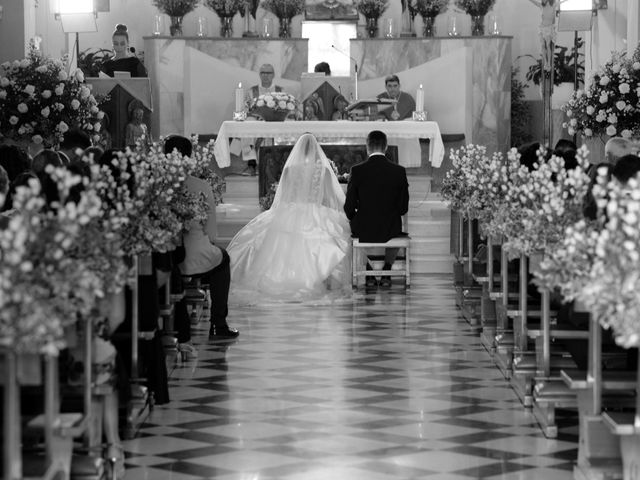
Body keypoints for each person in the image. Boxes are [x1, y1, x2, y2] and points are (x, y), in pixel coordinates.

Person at [227, 133, 352, 301]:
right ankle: (321, 279)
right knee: (334, 236)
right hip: (315, 211)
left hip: (290, 210)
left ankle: (282, 277)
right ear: (316, 149)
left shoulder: (290, 169)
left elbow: (284, 195)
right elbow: (329, 197)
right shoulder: (322, 169)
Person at [164, 135, 239, 340]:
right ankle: (218, 324)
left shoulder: (156, 185)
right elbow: (211, 232)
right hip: (194, 256)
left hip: (163, 261)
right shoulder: (200, 186)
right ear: (189, 158)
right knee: (222, 259)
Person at [344, 130, 409, 287]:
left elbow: (349, 208)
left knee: (352, 229)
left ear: (367, 147)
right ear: (386, 147)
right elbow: (402, 208)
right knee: (397, 230)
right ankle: (387, 269)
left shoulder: (357, 171)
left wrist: (355, 216)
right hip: (390, 226)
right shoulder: (399, 171)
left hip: (363, 227)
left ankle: (369, 268)